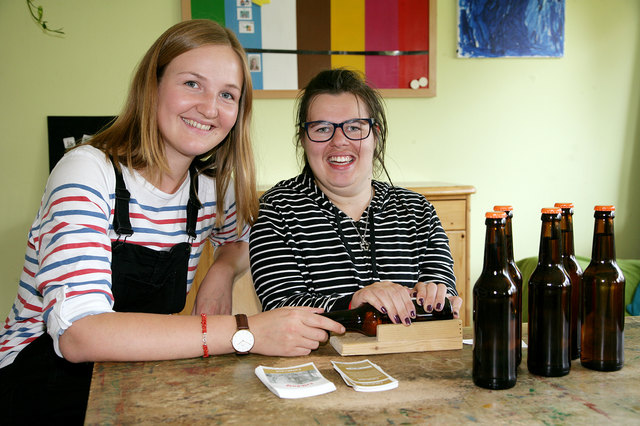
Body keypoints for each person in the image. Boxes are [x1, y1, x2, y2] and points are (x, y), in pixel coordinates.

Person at [0, 20, 344, 423]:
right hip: (43, 386)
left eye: (227, 94)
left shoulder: (211, 188)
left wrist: (221, 270)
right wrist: (244, 330)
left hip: (139, 374)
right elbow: (80, 334)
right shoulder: (86, 171)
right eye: (192, 84)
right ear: (154, 85)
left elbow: (241, 240)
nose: (210, 108)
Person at [249, 68, 463, 326]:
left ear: (376, 134)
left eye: (354, 127)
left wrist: (437, 298)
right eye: (321, 129)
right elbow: (279, 306)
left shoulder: (418, 212)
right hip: (317, 362)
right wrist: (354, 303)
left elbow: (442, 299)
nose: (339, 141)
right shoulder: (277, 210)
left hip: (408, 360)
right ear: (303, 139)